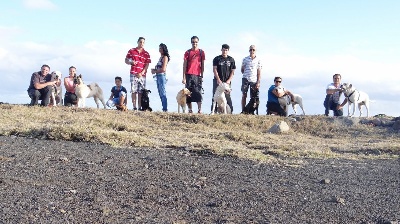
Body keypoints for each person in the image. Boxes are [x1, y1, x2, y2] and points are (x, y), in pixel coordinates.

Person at [125, 37, 151, 111]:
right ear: (137, 42)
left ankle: (139, 107)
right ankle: (134, 106)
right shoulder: (131, 51)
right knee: (134, 90)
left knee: (141, 92)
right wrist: (131, 62)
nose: (142, 44)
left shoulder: (146, 53)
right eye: (140, 42)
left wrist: (142, 73)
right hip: (133, 73)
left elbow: (147, 64)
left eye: (143, 42)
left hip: (142, 75)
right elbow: (126, 60)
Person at [182, 36, 205, 114]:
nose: (194, 43)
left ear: (198, 42)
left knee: (198, 92)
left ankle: (199, 109)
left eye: (196, 42)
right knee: (188, 93)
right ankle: (190, 109)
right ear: (191, 42)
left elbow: (202, 64)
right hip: (188, 74)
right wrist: (184, 77)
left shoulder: (201, 52)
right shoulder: (187, 52)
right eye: (193, 42)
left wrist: (202, 75)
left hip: (197, 75)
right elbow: (184, 65)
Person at [212, 44, 236, 113]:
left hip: (227, 82)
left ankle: (229, 112)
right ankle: (214, 111)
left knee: (227, 96)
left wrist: (229, 80)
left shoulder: (231, 59)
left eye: (226, 50)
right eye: (223, 50)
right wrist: (218, 79)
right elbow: (214, 69)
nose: (225, 51)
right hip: (218, 81)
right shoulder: (217, 59)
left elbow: (233, 71)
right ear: (221, 50)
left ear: (228, 51)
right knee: (215, 96)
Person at [241, 45, 262, 112]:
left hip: (254, 80)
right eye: (251, 50)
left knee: (253, 96)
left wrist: (258, 82)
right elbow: (242, 70)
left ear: (255, 51)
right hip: (246, 78)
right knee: (244, 94)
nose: (252, 51)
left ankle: (251, 110)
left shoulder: (258, 60)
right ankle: (243, 110)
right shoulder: (245, 59)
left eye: (253, 50)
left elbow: (259, 72)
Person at [151, 43, 170, 112]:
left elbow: (163, 69)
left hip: (161, 76)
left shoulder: (165, 57)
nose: (160, 50)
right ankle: (164, 108)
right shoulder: (161, 57)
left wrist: (155, 71)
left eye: (161, 48)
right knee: (160, 93)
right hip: (158, 76)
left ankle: (165, 109)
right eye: (159, 48)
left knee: (162, 92)